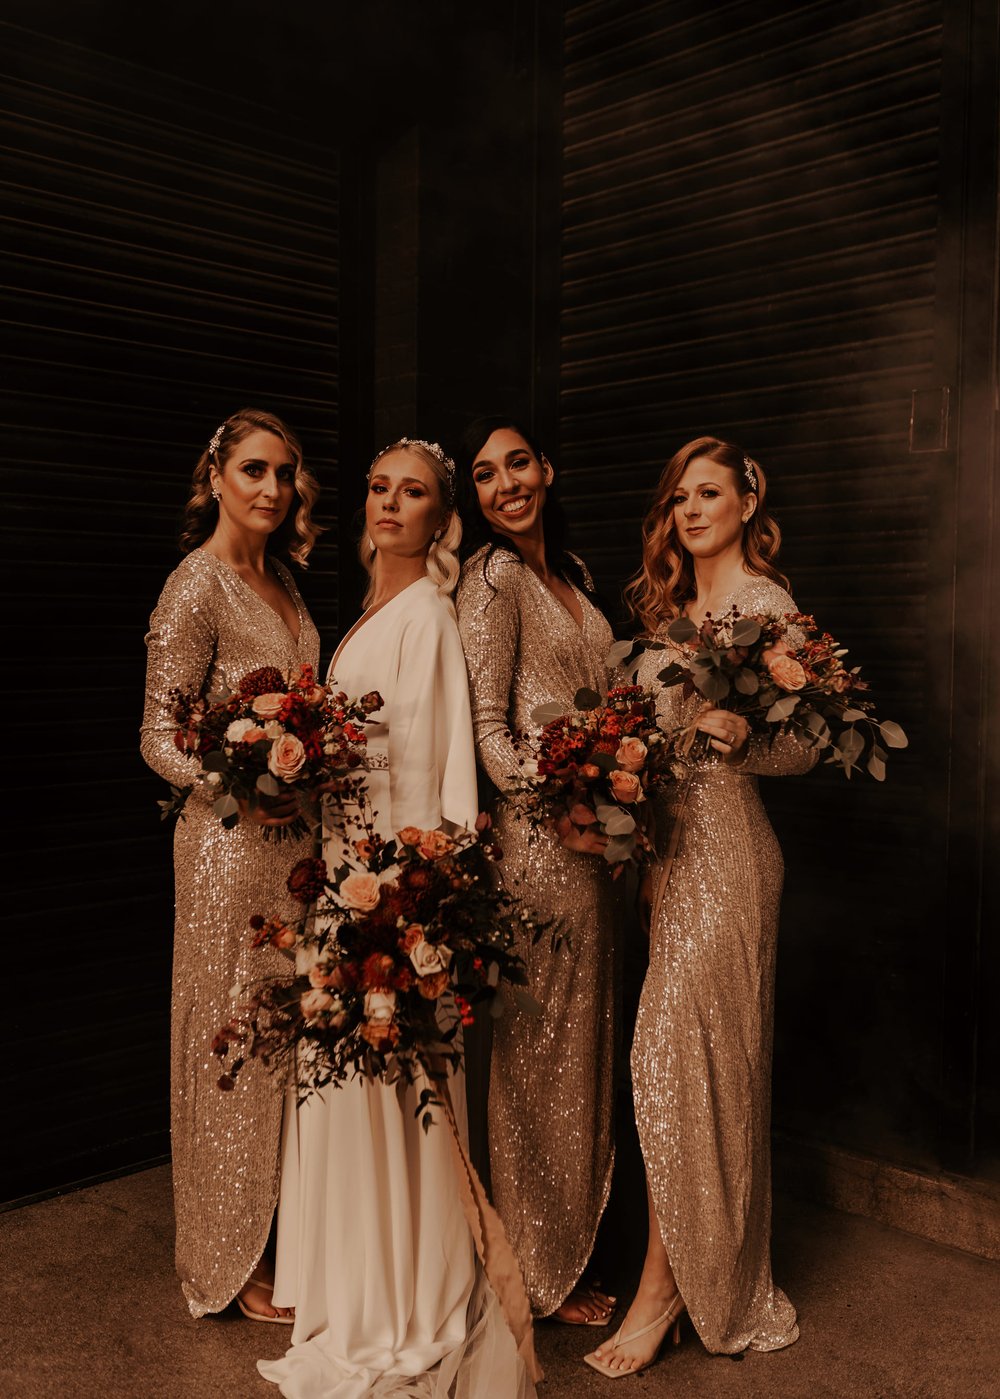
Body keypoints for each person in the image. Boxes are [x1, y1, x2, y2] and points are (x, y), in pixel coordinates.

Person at [261, 438, 536, 1398]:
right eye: (379, 488)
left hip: (390, 890)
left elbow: (442, 771)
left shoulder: (426, 617)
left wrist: (413, 903)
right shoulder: (373, 612)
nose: (388, 504)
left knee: (395, 1087)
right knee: (347, 1087)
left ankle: (404, 1293)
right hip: (344, 880)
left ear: (439, 517)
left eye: (411, 493)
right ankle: (352, 1277)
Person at [586, 436, 815, 1378]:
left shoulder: (767, 607)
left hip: (735, 857)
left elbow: (801, 749)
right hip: (674, 865)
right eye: (679, 495)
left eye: (709, 493)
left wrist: (738, 736)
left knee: (680, 1062)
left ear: (747, 504)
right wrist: (638, 847)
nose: (689, 509)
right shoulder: (671, 611)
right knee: (691, 1072)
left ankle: (663, 1292)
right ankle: (690, 1271)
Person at [140, 409, 322, 1320]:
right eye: (254, 470)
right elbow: (156, 738)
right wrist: (235, 779)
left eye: (284, 474)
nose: (272, 489)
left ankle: (282, 1232)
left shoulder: (285, 575)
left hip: (294, 845)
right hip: (224, 846)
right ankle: (228, 1253)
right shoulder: (195, 587)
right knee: (232, 1040)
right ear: (216, 475)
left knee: (285, 1040)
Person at [455, 417, 620, 1326]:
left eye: (517, 463)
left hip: (596, 850)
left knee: (581, 1048)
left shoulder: (577, 579)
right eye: (484, 474)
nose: (504, 483)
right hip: (539, 848)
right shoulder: (494, 580)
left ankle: (571, 1247)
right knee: (536, 1056)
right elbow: (488, 729)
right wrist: (555, 799)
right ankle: (535, 1269)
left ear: (548, 469)